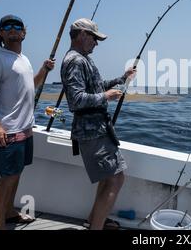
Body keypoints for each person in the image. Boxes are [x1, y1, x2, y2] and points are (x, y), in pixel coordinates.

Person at [0, 15, 55, 230]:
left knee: (17, 173)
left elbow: (30, 86)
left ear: (24, 33)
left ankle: (10, 212)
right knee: (8, 177)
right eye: (7, 26)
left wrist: (44, 70)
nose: (12, 29)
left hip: (25, 129)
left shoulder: (24, 59)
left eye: (17, 26)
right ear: (1, 33)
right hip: (8, 129)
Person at [60, 18, 135, 230]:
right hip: (92, 132)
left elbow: (96, 86)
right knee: (115, 179)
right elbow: (76, 100)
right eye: (94, 38)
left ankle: (94, 220)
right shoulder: (75, 61)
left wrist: (122, 78)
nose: (96, 43)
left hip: (98, 129)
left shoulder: (82, 59)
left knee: (109, 178)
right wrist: (106, 97)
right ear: (82, 35)